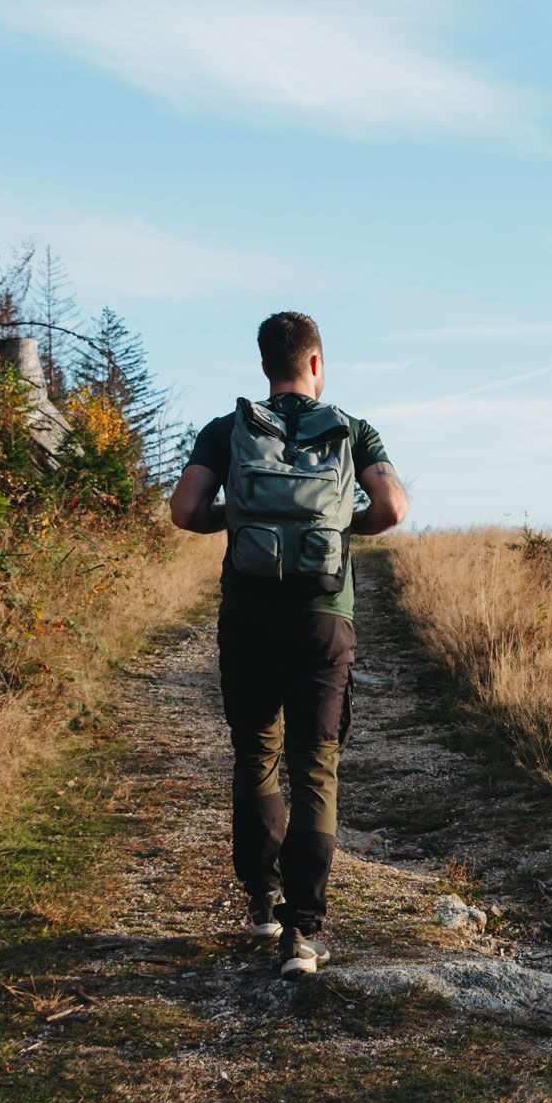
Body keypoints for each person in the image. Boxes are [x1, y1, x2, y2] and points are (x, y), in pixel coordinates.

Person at [169, 311, 408, 976]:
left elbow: (184, 510)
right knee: (315, 765)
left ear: (266, 366)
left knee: (255, 753)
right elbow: (393, 507)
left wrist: (242, 518)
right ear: (316, 363)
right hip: (322, 617)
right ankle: (303, 930)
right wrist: (340, 525)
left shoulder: (229, 428)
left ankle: (261, 899)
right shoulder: (352, 430)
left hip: (248, 615)